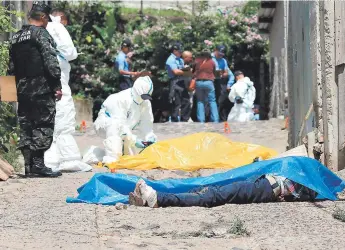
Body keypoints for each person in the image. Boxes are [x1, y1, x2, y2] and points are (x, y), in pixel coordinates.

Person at [7, 2, 62, 177]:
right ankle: (38, 164)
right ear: (44, 17)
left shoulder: (16, 37)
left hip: (22, 89)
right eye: (47, 20)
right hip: (42, 88)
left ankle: (29, 166)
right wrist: (56, 85)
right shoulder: (41, 34)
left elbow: (11, 68)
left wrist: (11, 90)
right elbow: (50, 62)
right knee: (43, 124)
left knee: (26, 125)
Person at [44, 9, 91, 172]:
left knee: (51, 123)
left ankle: (51, 160)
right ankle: (68, 160)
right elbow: (70, 53)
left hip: (45, 86)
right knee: (64, 121)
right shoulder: (57, 28)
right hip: (60, 87)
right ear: (62, 19)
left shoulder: (43, 31)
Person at [129, 175, 317, 208]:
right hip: (262, 183)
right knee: (207, 190)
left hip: (266, 188)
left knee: (212, 196)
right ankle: (148, 199)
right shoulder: (311, 173)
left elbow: (297, 192)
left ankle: (157, 198)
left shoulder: (314, 186)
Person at [94, 76, 157, 163]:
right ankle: (111, 160)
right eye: (144, 96)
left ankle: (112, 153)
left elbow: (147, 121)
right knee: (114, 125)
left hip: (124, 129)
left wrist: (149, 136)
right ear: (137, 91)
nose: (145, 99)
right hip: (105, 125)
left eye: (147, 97)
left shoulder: (145, 103)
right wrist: (134, 140)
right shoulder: (120, 99)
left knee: (130, 154)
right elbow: (119, 125)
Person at [166, 42, 190, 122]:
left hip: (182, 81)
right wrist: (187, 72)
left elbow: (182, 69)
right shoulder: (171, 59)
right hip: (175, 81)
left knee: (186, 100)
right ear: (174, 51)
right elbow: (175, 72)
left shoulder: (180, 60)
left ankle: (185, 119)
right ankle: (174, 119)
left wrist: (186, 71)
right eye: (179, 51)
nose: (180, 53)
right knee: (176, 102)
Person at [192, 50, 219, 123]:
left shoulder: (197, 61)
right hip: (209, 82)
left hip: (199, 82)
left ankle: (201, 120)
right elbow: (214, 72)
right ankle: (215, 119)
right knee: (212, 101)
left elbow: (193, 71)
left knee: (200, 101)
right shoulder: (212, 62)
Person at [212, 45, 234, 121]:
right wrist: (221, 73)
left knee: (220, 101)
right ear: (215, 50)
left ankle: (216, 119)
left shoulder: (223, 60)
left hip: (219, 82)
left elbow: (227, 73)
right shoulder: (210, 59)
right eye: (220, 53)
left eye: (222, 54)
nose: (221, 55)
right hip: (210, 82)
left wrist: (228, 83)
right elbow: (215, 73)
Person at [181, 51, 193, 122]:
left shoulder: (189, 65)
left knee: (188, 103)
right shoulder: (180, 64)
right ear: (185, 57)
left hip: (189, 87)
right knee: (185, 102)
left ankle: (186, 118)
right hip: (183, 87)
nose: (191, 59)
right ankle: (184, 118)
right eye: (190, 57)